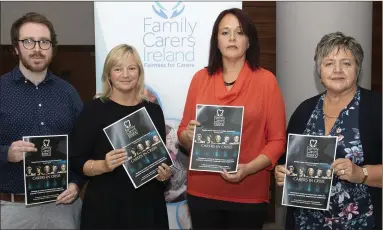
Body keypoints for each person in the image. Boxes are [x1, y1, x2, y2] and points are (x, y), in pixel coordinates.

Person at [178, 8, 286, 229]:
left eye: (239, 32)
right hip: (202, 192)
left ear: (249, 41)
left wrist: (249, 168)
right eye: (225, 32)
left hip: (249, 191)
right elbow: (182, 133)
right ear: (216, 41)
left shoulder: (267, 81)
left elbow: (277, 142)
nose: (232, 38)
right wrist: (188, 135)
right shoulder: (200, 79)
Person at [275, 32, 382, 230]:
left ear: (357, 68)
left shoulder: (377, 108)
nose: (338, 70)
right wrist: (281, 173)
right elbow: (286, 161)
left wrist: (362, 173)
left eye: (346, 63)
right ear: (320, 71)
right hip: (305, 222)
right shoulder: (304, 110)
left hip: (359, 222)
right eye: (329, 63)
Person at [69, 44, 172, 229]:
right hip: (105, 210)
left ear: (139, 72)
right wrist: (103, 165)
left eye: (131, 68)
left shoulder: (154, 111)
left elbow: (159, 160)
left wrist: (164, 175)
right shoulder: (92, 110)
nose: (125, 74)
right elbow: (76, 160)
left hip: (148, 210)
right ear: (109, 74)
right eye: (118, 69)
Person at [0, 12, 84, 229]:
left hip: (63, 208)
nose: (37, 48)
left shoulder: (69, 94)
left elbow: (83, 148)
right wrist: (6, 153)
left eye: (44, 42)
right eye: (29, 41)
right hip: (12, 211)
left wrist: (76, 183)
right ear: (16, 47)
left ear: (52, 48)